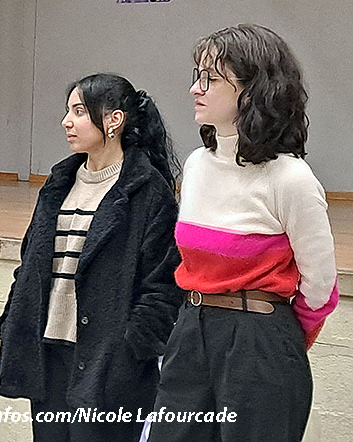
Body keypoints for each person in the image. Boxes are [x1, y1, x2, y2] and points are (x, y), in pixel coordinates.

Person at [149, 24, 339, 442]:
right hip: (190, 327)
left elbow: (321, 287)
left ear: (252, 92)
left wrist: (274, 339)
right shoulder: (197, 165)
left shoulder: (290, 178)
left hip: (259, 337)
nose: (195, 89)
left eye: (210, 79)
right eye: (197, 76)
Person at [0, 73, 183, 441]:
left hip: (109, 362)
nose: (67, 121)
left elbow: (162, 285)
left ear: (114, 120)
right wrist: (13, 320)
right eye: (68, 112)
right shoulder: (59, 182)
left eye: (79, 111)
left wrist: (132, 347)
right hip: (48, 352)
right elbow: (30, 262)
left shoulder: (148, 190)